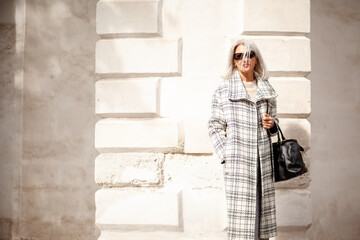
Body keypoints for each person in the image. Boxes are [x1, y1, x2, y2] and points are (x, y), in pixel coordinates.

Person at [208, 38, 279, 240]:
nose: (245, 59)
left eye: (249, 55)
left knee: (261, 219)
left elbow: (275, 125)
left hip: (263, 162)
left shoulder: (267, 90)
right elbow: (213, 125)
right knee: (242, 223)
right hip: (238, 163)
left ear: (256, 60)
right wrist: (226, 154)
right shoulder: (224, 90)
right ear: (234, 61)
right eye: (239, 56)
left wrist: (272, 125)